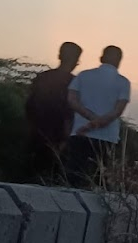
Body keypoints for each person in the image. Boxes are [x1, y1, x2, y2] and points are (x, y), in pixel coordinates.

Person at [64, 46, 131, 187]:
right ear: (119, 61)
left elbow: (71, 100)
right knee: (98, 180)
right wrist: (96, 123)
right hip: (106, 138)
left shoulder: (83, 75)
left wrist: (89, 119)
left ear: (101, 58)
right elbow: (117, 111)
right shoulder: (123, 83)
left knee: (73, 177)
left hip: (79, 134)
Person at [24, 42, 82, 180]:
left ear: (59, 56)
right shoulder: (75, 83)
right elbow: (71, 112)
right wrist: (66, 138)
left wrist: (30, 127)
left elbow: (29, 105)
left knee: (31, 174)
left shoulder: (43, 77)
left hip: (36, 133)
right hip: (59, 137)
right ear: (76, 60)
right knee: (54, 178)